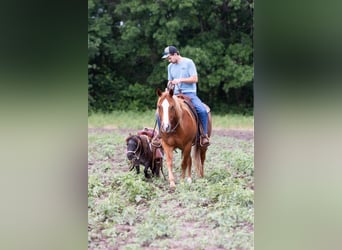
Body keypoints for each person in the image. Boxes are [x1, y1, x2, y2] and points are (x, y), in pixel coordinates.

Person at [160, 45, 210, 146]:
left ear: (175, 54)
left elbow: (195, 79)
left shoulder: (188, 63)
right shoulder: (170, 67)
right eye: (167, 59)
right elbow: (170, 80)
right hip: (175, 94)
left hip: (189, 93)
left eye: (169, 57)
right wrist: (169, 85)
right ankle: (160, 134)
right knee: (159, 111)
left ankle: (204, 135)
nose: (169, 60)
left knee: (202, 110)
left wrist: (180, 80)